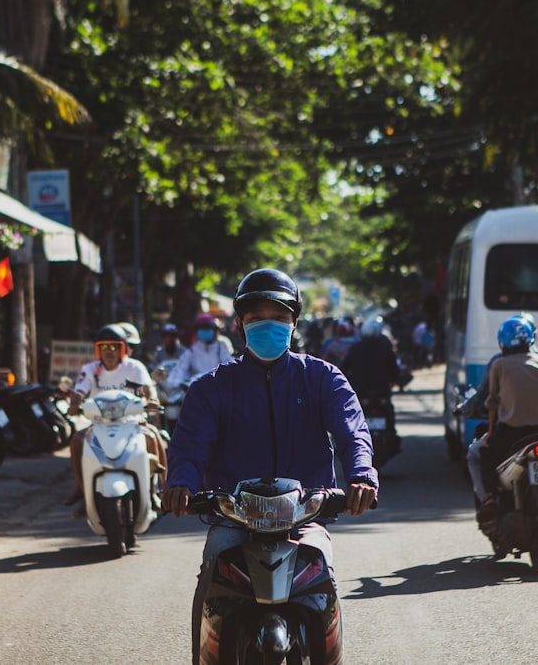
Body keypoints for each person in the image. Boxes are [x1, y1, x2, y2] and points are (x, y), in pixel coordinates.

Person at [161, 268, 378, 665]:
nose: (269, 325)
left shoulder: (322, 378)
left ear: (294, 321)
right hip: (233, 519)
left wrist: (362, 476)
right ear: (240, 323)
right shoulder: (211, 387)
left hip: (306, 515)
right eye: (257, 316)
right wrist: (181, 483)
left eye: (279, 317)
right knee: (212, 576)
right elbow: (189, 445)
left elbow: (352, 432)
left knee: (323, 577)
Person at [462, 312, 538, 502]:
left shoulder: (499, 364)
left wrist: (489, 434)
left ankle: (488, 498)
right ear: (532, 337)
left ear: (502, 342)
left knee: (480, 454)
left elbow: (491, 402)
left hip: (513, 431)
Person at [64, 323, 162, 517]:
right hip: (99, 425)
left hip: (133, 423)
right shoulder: (90, 369)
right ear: (98, 350)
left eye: (114, 347)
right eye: (104, 347)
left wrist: (152, 400)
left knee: (153, 436)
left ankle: (155, 491)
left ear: (122, 349)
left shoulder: (135, 367)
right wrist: (74, 404)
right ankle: (83, 491)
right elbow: (79, 392)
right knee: (76, 441)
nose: (109, 352)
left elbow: (148, 390)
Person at [342, 318, 402, 462]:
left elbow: (344, 367)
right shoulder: (385, 348)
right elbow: (395, 371)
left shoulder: (356, 348)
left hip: (362, 393)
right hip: (381, 393)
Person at [165, 313, 234, 391]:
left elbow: (230, 370)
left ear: (214, 331)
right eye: (202, 329)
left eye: (208, 328)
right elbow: (180, 369)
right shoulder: (192, 351)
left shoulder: (220, 350)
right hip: (197, 390)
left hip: (217, 390)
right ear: (197, 331)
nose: (205, 331)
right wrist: (177, 383)